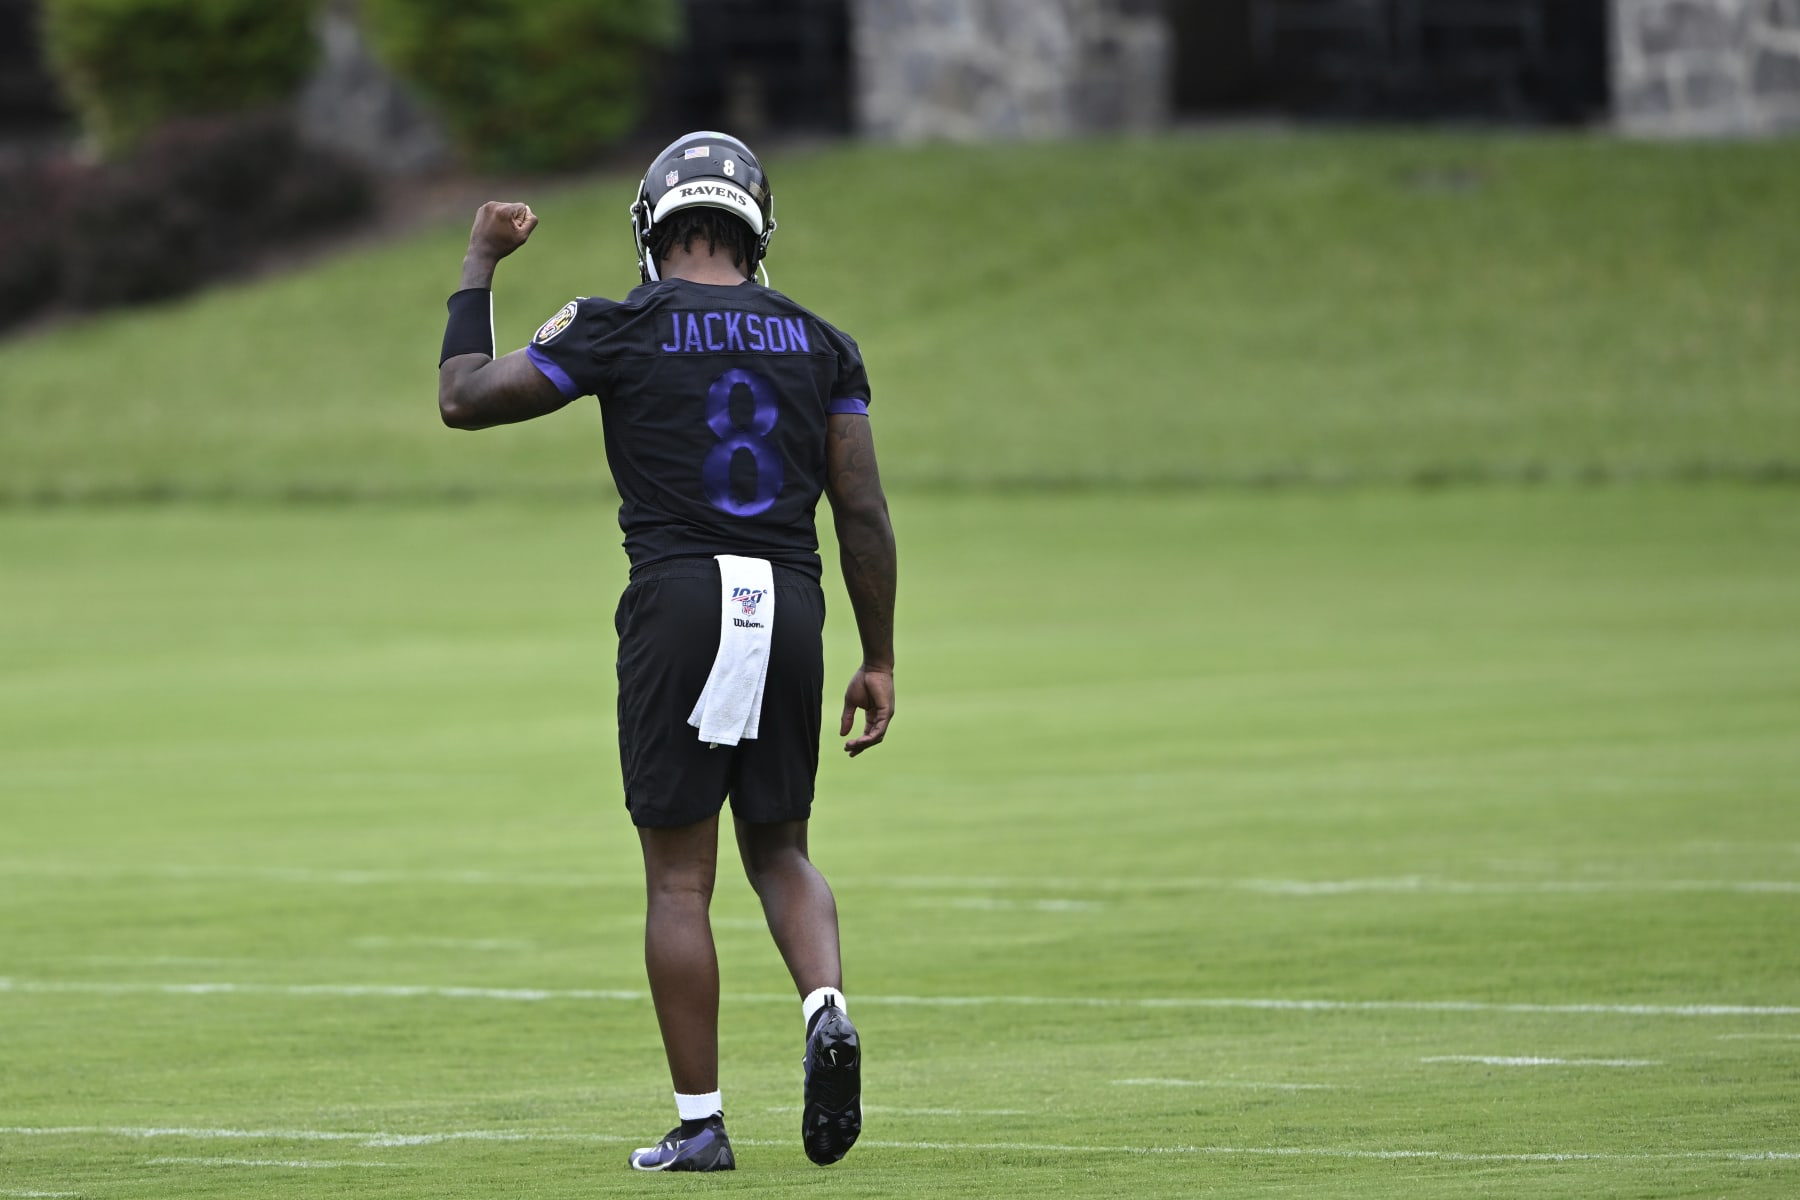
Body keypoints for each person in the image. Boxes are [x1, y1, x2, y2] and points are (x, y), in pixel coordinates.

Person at [434, 131, 896, 1173]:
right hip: (792, 599)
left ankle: (701, 1125)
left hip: (682, 596)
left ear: (652, 224)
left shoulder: (620, 324)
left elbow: (464, 399)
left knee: (679, 883)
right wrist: (882, 656)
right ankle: (825, 1006)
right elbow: (860, 508)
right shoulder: (824, 342)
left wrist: (479, 264)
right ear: (755, 227)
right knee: (781, 848)